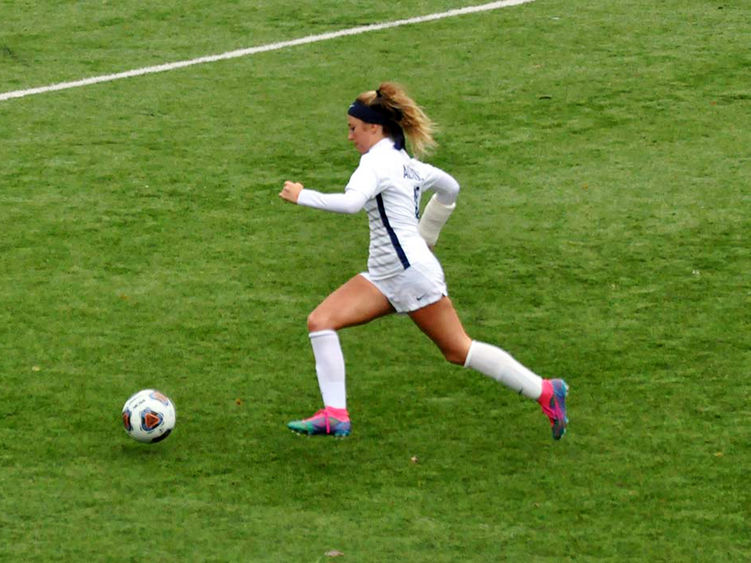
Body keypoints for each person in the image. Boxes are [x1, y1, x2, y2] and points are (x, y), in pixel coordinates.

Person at [278, 82, 569, 440]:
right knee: (321, 321)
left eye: (353, 129)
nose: (350, 137)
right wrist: (427, 235)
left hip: (409, 276)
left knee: (458, 349)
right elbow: (451, 188)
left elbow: (352, 204)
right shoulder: (408, 164)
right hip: (387, 275)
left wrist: (302, 195)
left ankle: (545, 391)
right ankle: (335, 414)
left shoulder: (376, 164)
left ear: (374, 127)